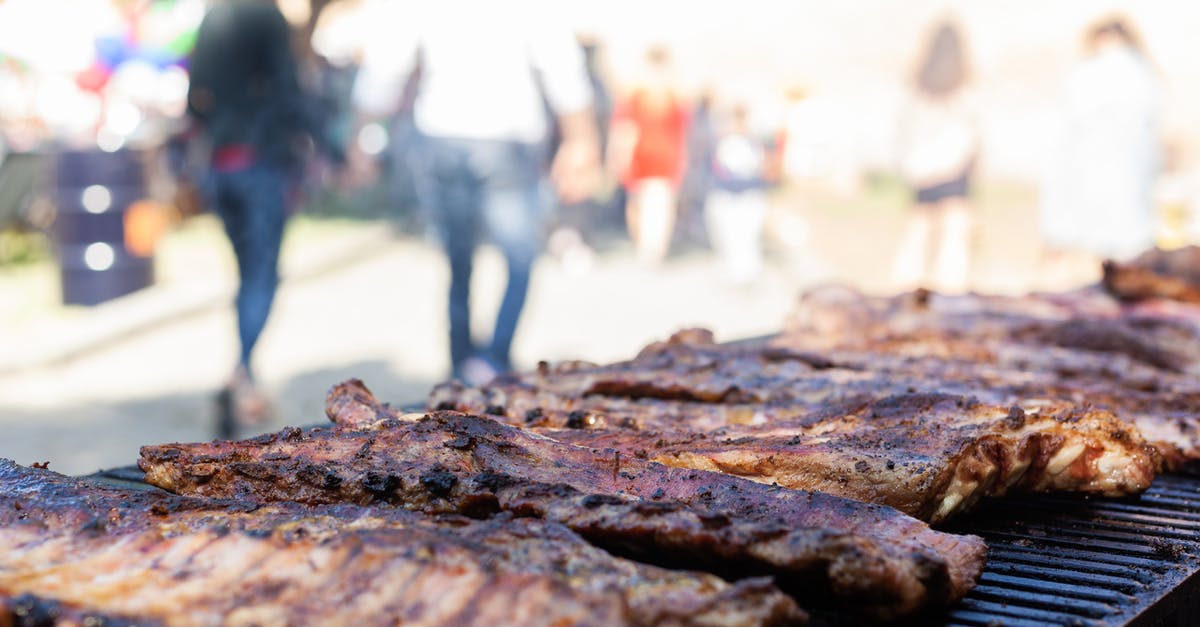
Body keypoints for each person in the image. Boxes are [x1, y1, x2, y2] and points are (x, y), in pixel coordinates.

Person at [350, 1, 599, 384]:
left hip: (455, 137)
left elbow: (386, 65)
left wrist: (362, 136)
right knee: (509, 256)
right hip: (498, 140)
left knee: (469, 258)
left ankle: (468, 359)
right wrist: (582, 137)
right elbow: (562, 64)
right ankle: (488, 358)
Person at [186, 0, 341, 433]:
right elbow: (291, 93)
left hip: (220, 167)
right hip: (260, 166)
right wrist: (332, 148)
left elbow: (194, 100)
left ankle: (244, 373)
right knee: (262, 274)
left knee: (246, 274)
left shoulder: (213, 15)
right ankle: (243, 374)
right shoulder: (266, 15)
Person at [1040, 15, 1161, 269]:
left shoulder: (1126, 73)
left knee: (1117, 241)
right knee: (1102, 240)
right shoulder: (1135, 73)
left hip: (1116, 169)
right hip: (1097, 168)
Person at [891, 19, 980, 293]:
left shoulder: (920, 79)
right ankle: (950, 294)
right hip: (954, 164)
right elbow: (974, 128)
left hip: (922, 165)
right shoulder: (965, 81)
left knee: (917, 231)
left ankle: (906, 291)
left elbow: (905, 125)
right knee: (954, 234)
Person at [607, 46, 690, 265]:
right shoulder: (641, 97)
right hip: (645, 157)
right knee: (646, 202)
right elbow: (625, 129)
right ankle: (649, 246)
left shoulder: (670, 98)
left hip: (660, 158)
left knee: (654, 202)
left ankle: (651, 248)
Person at [704, 102, 774, 284]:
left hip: (748, 194)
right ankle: (734, 272)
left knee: (746, 237)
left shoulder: (758, 141)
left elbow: (767, 168)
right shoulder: (720, 140)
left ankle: (745, 274)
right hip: (727, 194)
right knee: (728, 236)